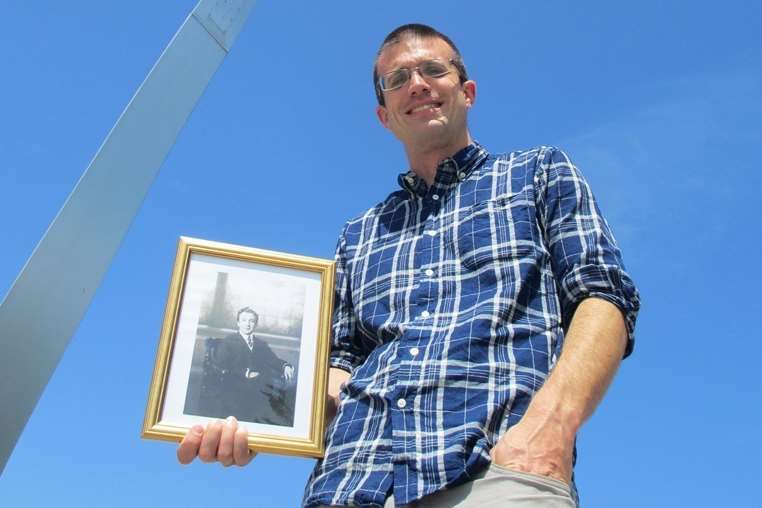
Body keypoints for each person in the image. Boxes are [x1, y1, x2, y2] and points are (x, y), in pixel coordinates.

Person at [177, 24, 640, 508]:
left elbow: (603, 296)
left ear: (467, 91)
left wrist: (551, 429)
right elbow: (341, 367)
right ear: (384, 115)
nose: (417, 84)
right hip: (347, 485)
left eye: (433, 70)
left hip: (493, 473)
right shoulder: (358, 235)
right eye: (397, 80)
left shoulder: (539, 174)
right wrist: (258, 419)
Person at [200, 306, 295, 426]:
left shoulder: (261, 344)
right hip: (233, 389)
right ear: (238, 323)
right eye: (244, 320)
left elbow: (273, 360)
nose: (247, 324)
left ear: (255, 324)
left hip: (256, 389)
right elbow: (219, 366)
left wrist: (285, 366)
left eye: (251, 321)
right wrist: (244, 373)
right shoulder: (228, 342)